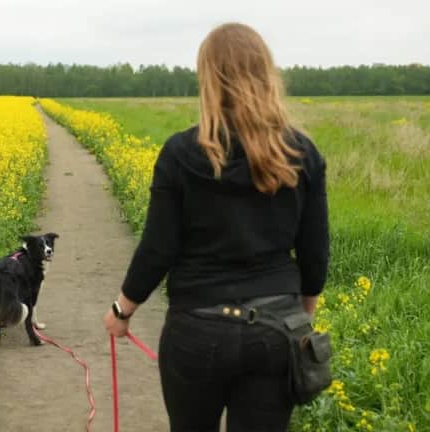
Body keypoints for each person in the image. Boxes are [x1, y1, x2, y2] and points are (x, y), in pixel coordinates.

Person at [103, 22, 329, 432]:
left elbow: (158, 247)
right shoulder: (302, 152)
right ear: (266, 75)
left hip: (196, 330)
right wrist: (299, 318)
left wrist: (123, 309)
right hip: (275, 331)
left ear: (208, 79)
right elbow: (315, 253)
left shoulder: (179, 153)